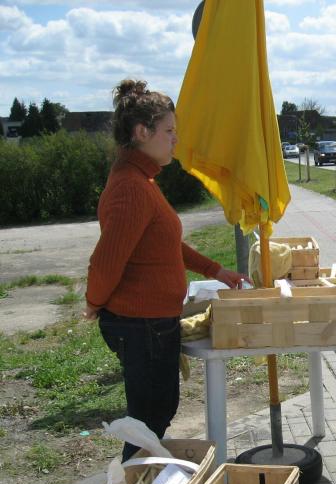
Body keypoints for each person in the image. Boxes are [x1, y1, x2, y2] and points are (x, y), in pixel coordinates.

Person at [84, 79, 250, 461]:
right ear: (142, 132)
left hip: (150, 324)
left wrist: (216, 270)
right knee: (148, 422)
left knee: (154, 416)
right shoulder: (131, 187)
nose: (176, 139)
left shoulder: (141, 180)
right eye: (169, 131)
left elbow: (163, 244)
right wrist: (94, 302)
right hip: (141, 325)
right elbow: (106, 262)